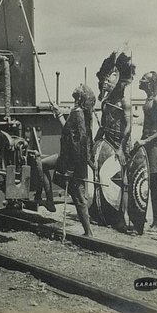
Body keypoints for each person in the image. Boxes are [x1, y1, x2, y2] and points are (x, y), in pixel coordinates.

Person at [94, 51, 135, 232]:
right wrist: (95, 144)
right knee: (103, 178)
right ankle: (105, 213)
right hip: (107, 142)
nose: (107, 81)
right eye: (106, 78)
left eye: (111, 78)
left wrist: (120, 148)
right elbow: (103, 126)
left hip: (121, 144)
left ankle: (122, 219)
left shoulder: (124, 101)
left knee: (123, 180)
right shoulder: (105, 102)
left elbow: (128, 127)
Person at [50, 84, 96, 236]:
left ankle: (88, 232)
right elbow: (69, 132)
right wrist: (59, 115)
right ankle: (48, 200)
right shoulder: (80, 112)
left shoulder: (77, 113)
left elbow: (79, 142)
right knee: (78, 195)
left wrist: (71, 167)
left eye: (81, 87)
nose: (79, 86)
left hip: (73, 161)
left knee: (78, 195)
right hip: (74, 160)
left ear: (80, 97)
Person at [134, 71, 157, 235]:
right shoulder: (148, 100)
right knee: (149, 183)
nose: (139, 80)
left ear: (150, 83)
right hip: (147, 144)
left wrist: (147, 141)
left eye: (143, 79)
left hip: (156, 146)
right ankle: (153, 222)